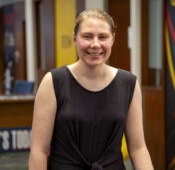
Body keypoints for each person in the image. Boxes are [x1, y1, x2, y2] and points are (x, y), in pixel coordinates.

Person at [29, 9, 154, 170]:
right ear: (75, 39)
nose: (95, 44)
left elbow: (138, 149)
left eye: (102, 37)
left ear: (113, 39)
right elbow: (38, 150)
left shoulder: (128, 84)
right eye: (87, 36)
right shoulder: (53, 82)